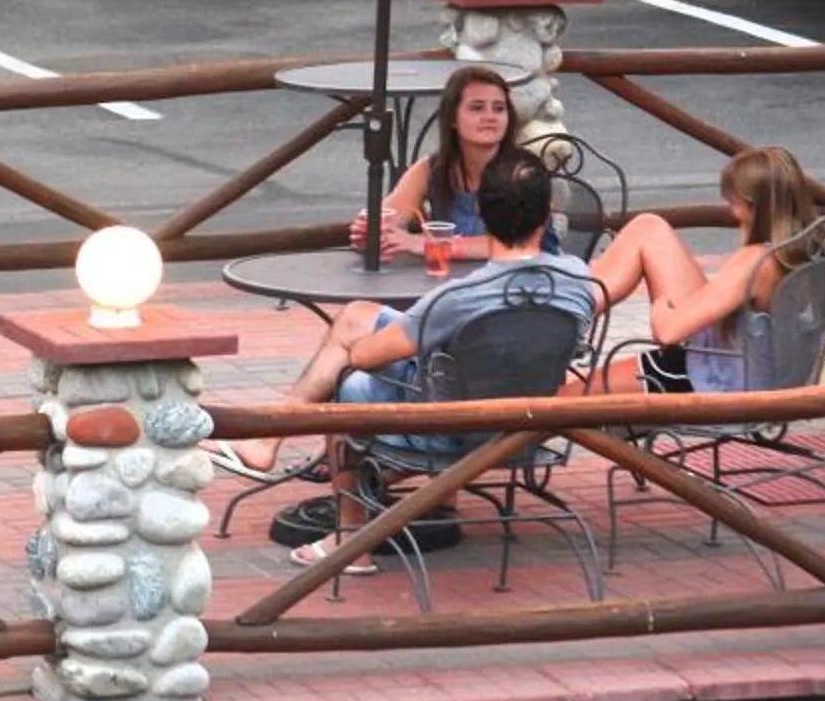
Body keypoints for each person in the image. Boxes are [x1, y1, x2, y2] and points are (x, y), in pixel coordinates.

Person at [239, 154, 597, 571]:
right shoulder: (578, 278)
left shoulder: (458, 298)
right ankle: (378, 488)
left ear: (481, 212)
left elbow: (366, 356)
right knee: (365, 318)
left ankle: (350, 540)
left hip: (448, 433)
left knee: (345, 382)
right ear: (549, 216)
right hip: (530, 430)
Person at [585, 145, 820, 393]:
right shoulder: (813, 250)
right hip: (759, 370)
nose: (730, 208)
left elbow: (667, 333)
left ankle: (564, 319)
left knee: (560, 401)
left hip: (713, 381)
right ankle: (572, 313)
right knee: (648, 227)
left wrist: (660, 307)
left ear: (752, 205)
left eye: (733, 201)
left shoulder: (756, 261)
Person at [353, 66, 515, 260]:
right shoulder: (431, 169)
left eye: (499, 109)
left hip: (527, 282)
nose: (490, 117)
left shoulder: (523, 172)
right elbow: (389, 217)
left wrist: (427, 244)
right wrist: (373, 233)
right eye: (477, 107)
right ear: (452, 118)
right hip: (452, 282)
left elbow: (517, 244)